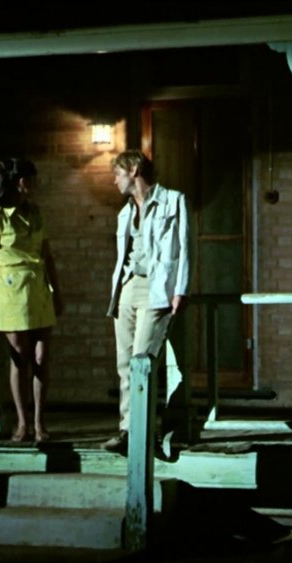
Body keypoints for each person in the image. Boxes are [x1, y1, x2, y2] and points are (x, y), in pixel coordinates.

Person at [0, 158, 63, 443]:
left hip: (38, 287)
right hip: (11, 289)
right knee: (20, 358)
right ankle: (22, 423)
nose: (37, 185)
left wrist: (57, 292)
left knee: (41, 357)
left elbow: (47, 255)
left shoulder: (36, 212)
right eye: (33, 179)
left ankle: (40, 423)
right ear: (22, 182)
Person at [103, 150, 190, 453]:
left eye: (118, 173)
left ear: (134, 170)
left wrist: (180, 290)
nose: (114, 181)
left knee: (143, 360)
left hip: (157, 288)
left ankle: (144, 431)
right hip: (128, 286)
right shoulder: (125, 212)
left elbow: (184, 247)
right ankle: (128, 430)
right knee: (124, 363)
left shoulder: (173, 200)